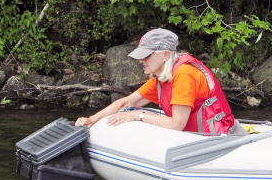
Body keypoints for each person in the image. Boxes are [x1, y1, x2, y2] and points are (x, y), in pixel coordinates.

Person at [76, 28, 244, 135]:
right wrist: (92, 120)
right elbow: (126, 102)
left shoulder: (185, 75)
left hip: (224, 138)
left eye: (146, 55)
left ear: (165, 55)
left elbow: (177, 124)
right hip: (200, 138)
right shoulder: (162, 76)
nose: (141, 60)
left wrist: (137, 115)